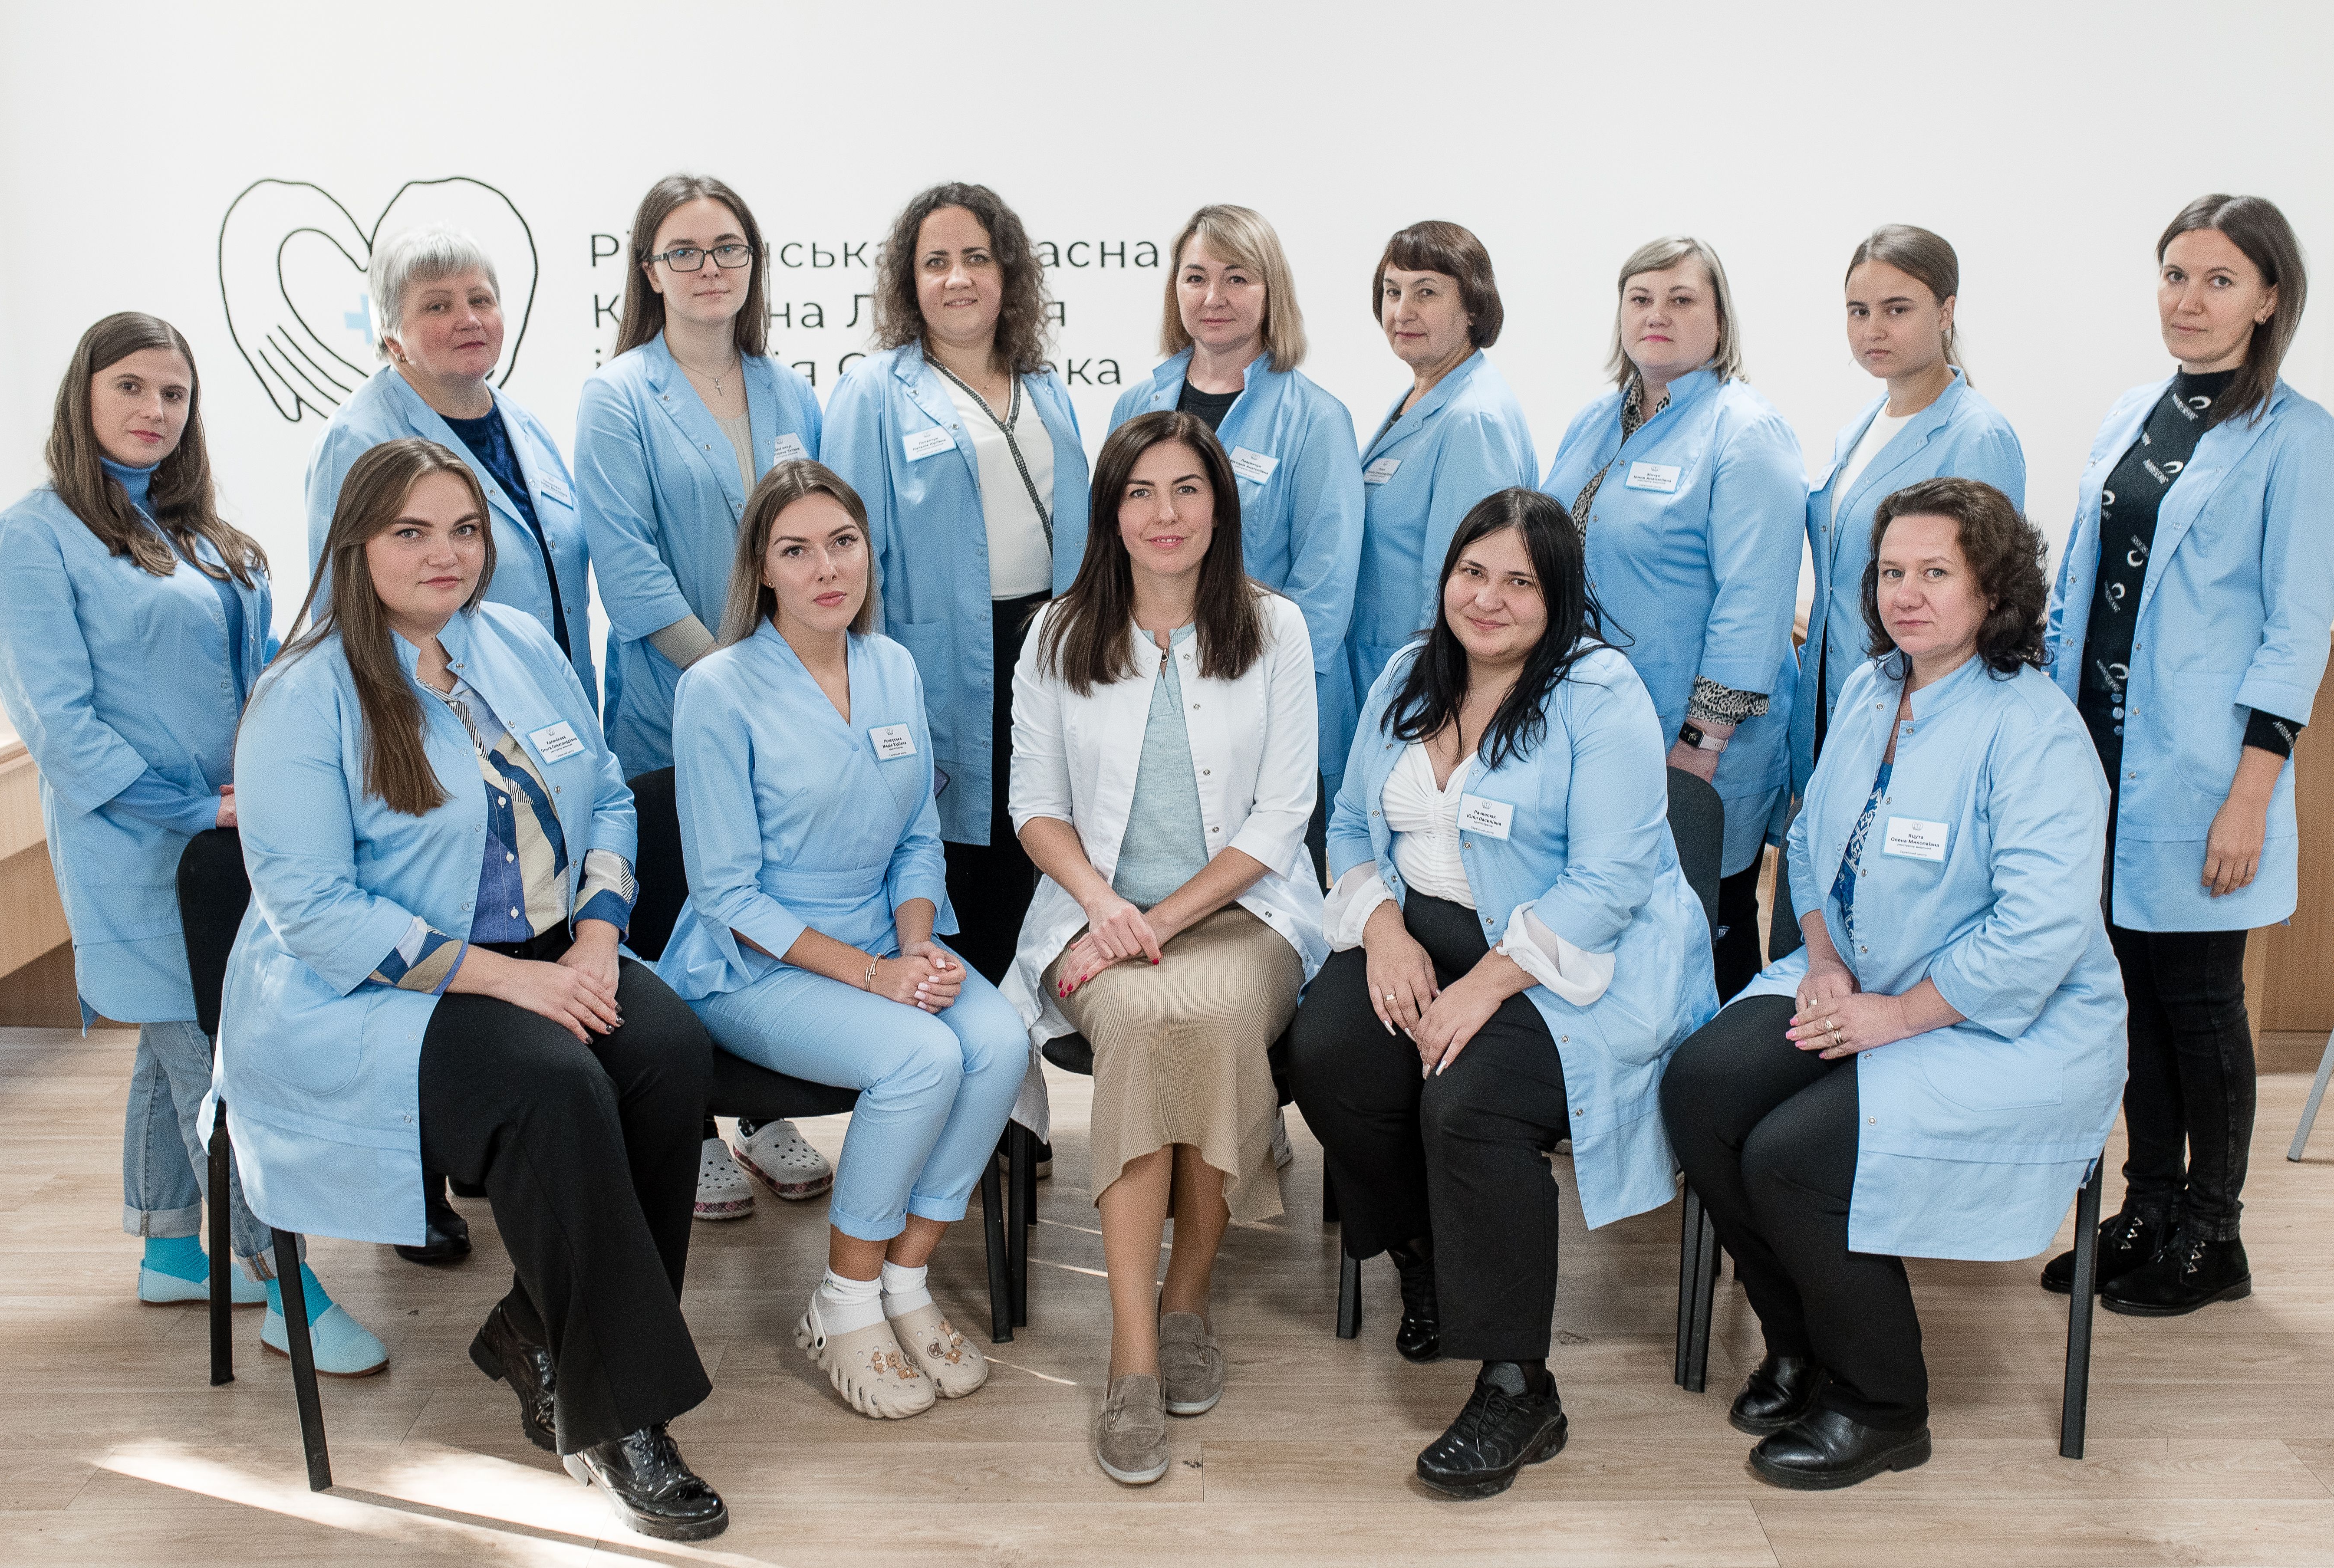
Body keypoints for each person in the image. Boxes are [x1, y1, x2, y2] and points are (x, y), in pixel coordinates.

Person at [217, 438, 727, 1540]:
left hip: (549, 949)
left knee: (669, 1051)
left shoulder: (519, 643)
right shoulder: (303, 695)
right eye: (410, 532)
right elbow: (315, 911)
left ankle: (538, 1332)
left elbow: (609, 800)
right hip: (377, 994)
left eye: (464, 530)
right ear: (354, 543)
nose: (444, 554)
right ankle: (622, 1418)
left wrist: (598, 938)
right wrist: (515, 983)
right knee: (555, 1088)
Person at [1662, 478, 2125, 1491]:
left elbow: (2038, 934)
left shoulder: (2033, 730)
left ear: (1994, 590)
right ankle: (1799, 1343)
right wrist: (1826, 965)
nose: (1904, 593)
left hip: (2005, 1023)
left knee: (1794, 1157)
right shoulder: (1878, 689)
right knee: (1700, 1088)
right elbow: (1814, 843)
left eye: (1935, 572)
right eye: (1889, 572)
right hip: (1857, 974)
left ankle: (1882, 1403)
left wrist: (1896, 1015)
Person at [1287, 487, 1715, 1500]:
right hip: (1420, 931)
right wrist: (1382, 932)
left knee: (1468, 1100)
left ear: (1558, 596)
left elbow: (1610, 881)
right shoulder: (1409, 673)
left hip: (1569, 957)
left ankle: (1520, 1386)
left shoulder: (1599, 693)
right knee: (1328, 1055)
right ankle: (1428, 1255)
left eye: (1519, 582)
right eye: (1472, 572)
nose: (1488, 598)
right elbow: (1346, 823)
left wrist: (1483, 985)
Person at [0, 311, 381, 1361]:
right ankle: (285, 1282)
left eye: (174, 393)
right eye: (131, 387)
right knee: (217, 1059)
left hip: (228, 840)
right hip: (135, 846)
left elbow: (256, 678)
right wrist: (198, 808)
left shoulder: (199, 534)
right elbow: (61, 729)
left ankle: (168, 1247)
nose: (155, 409)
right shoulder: (31, 539)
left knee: (177, 1035)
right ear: (83, 393)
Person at [656, 460, 1029, 1420]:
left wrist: (917, 948)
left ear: (869, 550)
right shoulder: (717, 689)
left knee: (998, 1044)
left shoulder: (891, 665)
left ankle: (906, 1280)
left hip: (883, 932)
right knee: (920, 1058)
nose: (826, 568)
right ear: (761, 568)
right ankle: (844, 1299)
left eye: (843, 543)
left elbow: (916, 837)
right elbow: (728, 893)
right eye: (797, 550)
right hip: (752, 960)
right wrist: (875, 976)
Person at [1004, 412, 1324, 1486]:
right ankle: (1134, 1353)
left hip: (1244, 913)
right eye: (1140, 492)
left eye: (1188, 489)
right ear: (1110, 512)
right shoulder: (1057, 634)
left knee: (1214, 1013)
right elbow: (1035, 806)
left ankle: (1188, 1296)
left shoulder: (1276, 629)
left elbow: (1282, 817)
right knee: (1146, 1019)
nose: (1165, 513)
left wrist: (1162, 921)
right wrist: (1106, 908)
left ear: (1220, 507)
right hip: (1096, 917)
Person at [2041, 194, 2334, 1315]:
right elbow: (2082, 584)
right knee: (2131, 994)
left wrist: (2251, 795)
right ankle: (2147, 1206)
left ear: (2267, 298)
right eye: (2174, 274)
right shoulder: (2134, 413)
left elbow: (2296, 631)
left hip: (2208, 775)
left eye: (2218, 280)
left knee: (2200, 1001)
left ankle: (2215, 1233)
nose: (2189, 299)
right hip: (2104, 763)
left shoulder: (2298, 439)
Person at [576, 172, 833, 1221]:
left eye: (728, 248)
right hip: (674, 700)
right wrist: (741, 680)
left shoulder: (791, 393)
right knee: (679, 900)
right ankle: (685, 1124)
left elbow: (817, 539)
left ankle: (761, 1107)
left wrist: (789, 680)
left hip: (784, 702)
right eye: (683, 251)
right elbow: (630, 573)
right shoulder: (618, 397)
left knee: (766, 896)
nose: (709, 268)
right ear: (650, 271)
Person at [821, 182, 1091, 1008]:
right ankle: (958, 1056)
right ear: (910, 282)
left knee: (1036, 843)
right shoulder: (873, 391)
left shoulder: (1045, 386)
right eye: (935, 262)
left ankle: (1018, 1064)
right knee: (953, 860)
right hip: (934, 664)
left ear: (1008, 274)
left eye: (976, 257)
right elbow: (847, 556)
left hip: (1047, 647)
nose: (958, 278)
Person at [1541, 235, 1804, 999]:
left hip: (1696, 743)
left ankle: (1716, 1071)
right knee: (1616, 923)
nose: (1657, 314)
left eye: (1681, 299)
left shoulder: (1745, 431)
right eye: (1641, 299)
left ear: (1719, 322)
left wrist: (1699, 743)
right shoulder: (1595, 421)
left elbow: (1753, 604)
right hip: (1593, 728)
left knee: (1701, 928)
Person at [1106, 204, 1362, 796]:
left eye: (1237, 278)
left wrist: (1256, 693)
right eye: (1196, 277)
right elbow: (1112, 547)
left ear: (1272, 291)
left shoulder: (1318, 420)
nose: (1213, 297)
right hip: (1149, 693)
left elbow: (1324, 590)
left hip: (1268, 704)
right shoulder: (1136, 407)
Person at [306, 225, 594, 710]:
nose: (469, 320)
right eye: (438, 306)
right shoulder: (357, 440)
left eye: (481, 300)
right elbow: (344, 616)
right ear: (392, 336)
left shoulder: (525, 427)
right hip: (443, 721)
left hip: (559, 712)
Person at [1793, 225, 2025, 792]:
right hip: (1835, 696)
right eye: (1859, 311)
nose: (1873, 329)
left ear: (1946, 311)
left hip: (1915, 714)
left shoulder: (1977, 437)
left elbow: (1987, 602)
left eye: (1896, 309)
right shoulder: (1860, 428)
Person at [1343, 222, 1536, 781]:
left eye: (1426, 292)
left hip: (1432, 692)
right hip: (1390, 672)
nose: (1403, 310)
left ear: (1473, 306)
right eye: (1392, 291)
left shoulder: (1473, 420)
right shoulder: (1423, 396)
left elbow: (1473, 587)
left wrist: (1439, 705)